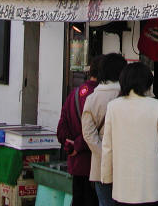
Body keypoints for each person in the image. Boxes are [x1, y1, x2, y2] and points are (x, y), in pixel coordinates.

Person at [101, 62, 158, 206]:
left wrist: (106, 176)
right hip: (152, 186)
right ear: (147, 83)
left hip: (123, 185)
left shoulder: (113, 106)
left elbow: (107, 147)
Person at [82, 53, 127, 206]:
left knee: (105, 202)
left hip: (101, 166)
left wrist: (104, 153)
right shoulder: (127, 96)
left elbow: (88, 134)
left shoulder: (92, 98)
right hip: (126, 164)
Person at [57, 55, 103, 206]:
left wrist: (71, 146)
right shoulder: (100, 97)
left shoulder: (74, 94)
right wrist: (80, 144)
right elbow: (93, 131)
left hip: (76, 164)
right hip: (94, 165)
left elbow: (61, 131)